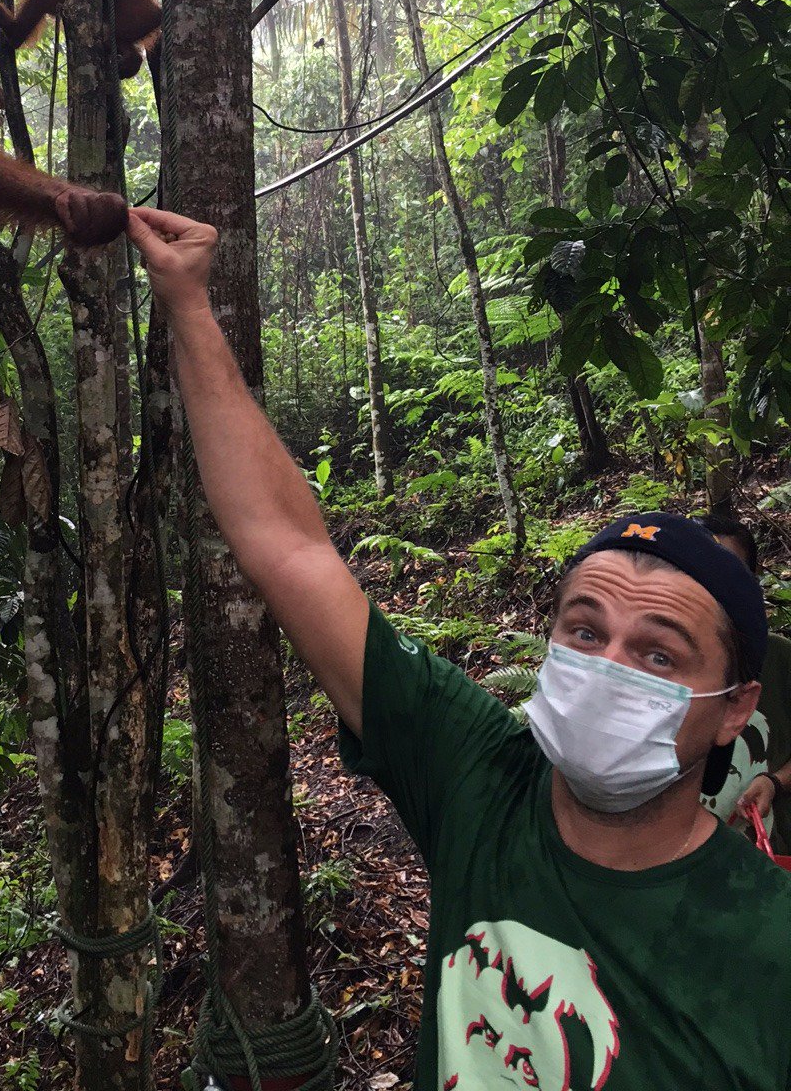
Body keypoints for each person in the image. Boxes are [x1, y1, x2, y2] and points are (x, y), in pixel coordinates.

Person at [128, 204, 791, 1091]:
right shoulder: (482, 778)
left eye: (661, 655)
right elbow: (288, 548)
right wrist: (189, 309)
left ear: (735, 708)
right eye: (585, 631)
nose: (607, 667)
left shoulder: (768, 943)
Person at [698, 513, 791, 849]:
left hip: (768, 859)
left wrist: (775, 782)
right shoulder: (661, 666)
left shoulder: (779, 658)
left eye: (728, 573)